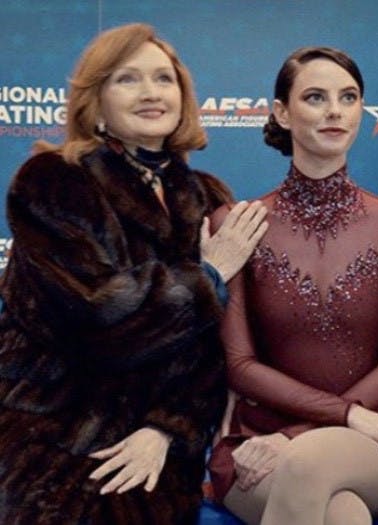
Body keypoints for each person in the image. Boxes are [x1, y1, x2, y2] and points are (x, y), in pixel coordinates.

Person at [0, 23, 267, 525]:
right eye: (127, 79)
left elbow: (217, 347)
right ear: (96, 103)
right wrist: (208, 276)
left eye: (164, 78)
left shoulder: (207, 195)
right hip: (58, 436)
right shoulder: (53, 181)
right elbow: (100, 318)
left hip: (157, 447)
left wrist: (167, 430)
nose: (151, 92)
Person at [205, 46, 378, 525]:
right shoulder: (239, 224)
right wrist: (342, 415)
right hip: (255, 444)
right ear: (282, 113)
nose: (334, 110)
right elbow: (240, 366)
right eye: (315, 97)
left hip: (371, 440)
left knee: (307, 462)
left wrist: (300, 435)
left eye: (348, 97)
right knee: (342, 513)